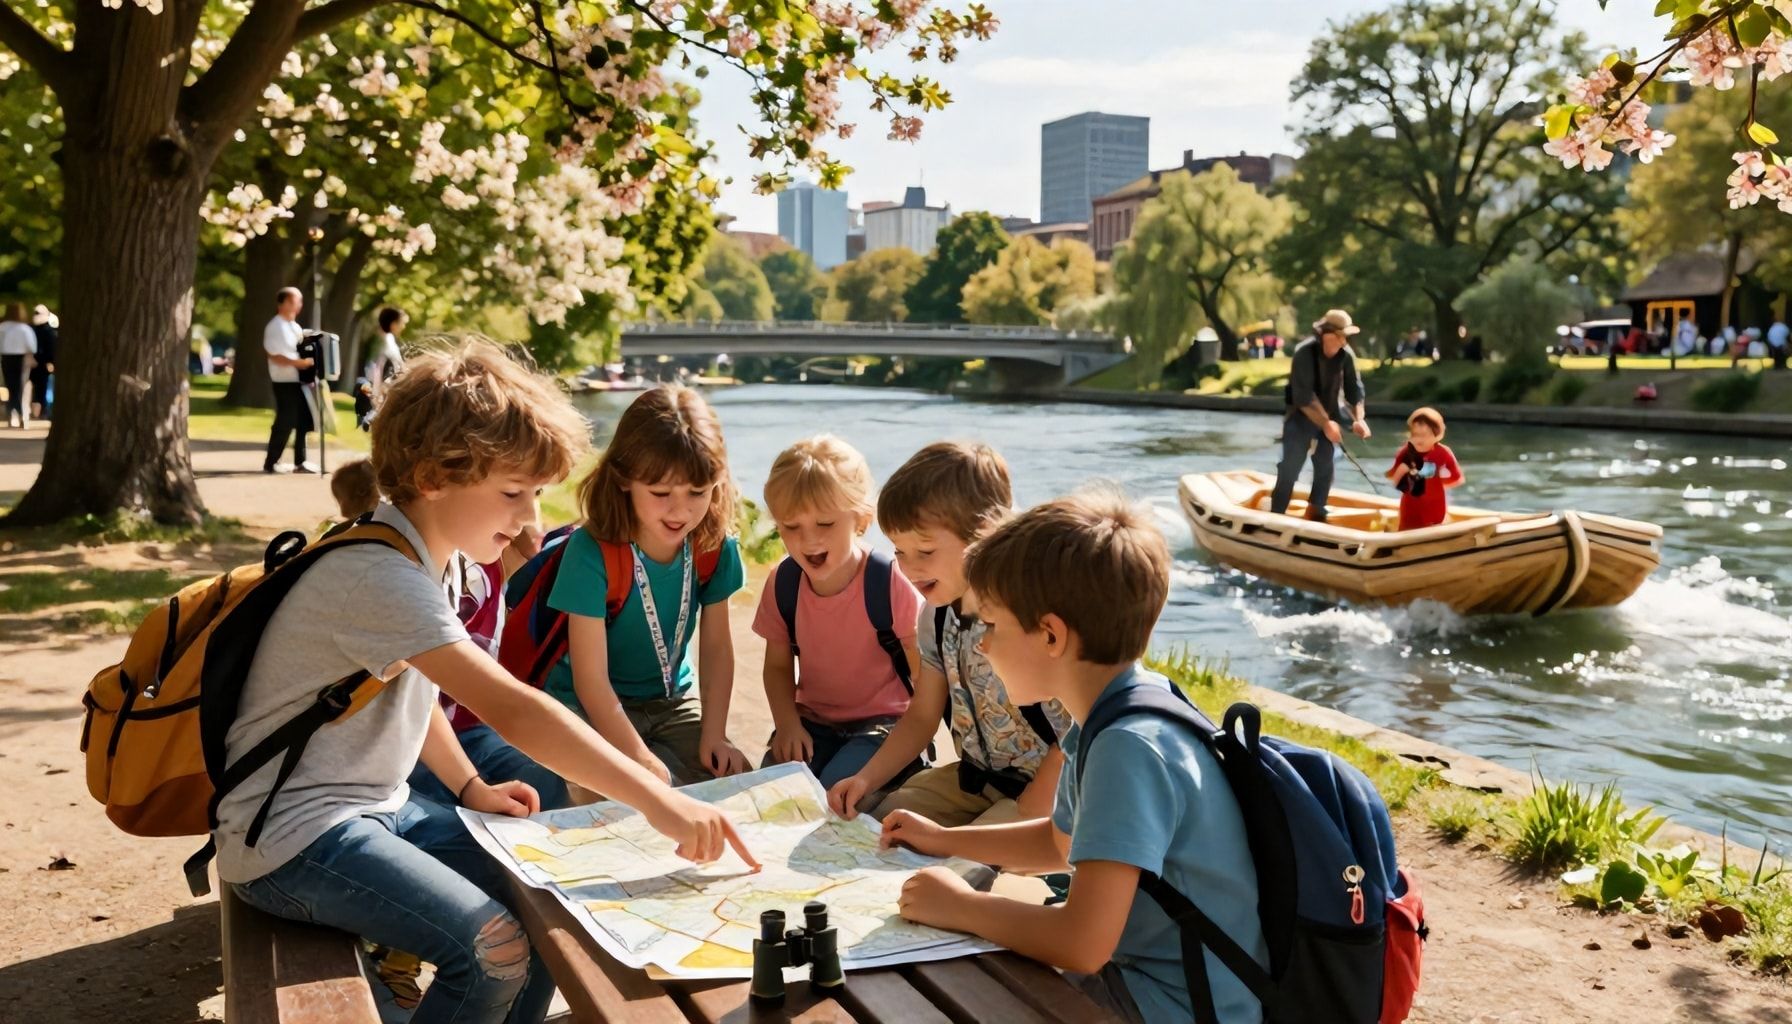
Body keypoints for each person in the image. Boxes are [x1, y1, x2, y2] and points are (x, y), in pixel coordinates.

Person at [218, 340, 755, 1024]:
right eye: (512, 494)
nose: (531, 519)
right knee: (492, 947)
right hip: (294, 840)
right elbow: (511, 708)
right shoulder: (380, 577)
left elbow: (402, 693)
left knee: (542, 905)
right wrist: (659, 800)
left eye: (534, 495)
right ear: (433, 475)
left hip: (376, 810)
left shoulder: (424, 557)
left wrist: (470, 787)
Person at [886, 492, 1266, 1024]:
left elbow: (1083, 943)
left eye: (991, 626)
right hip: (1146, 979)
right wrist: (942, 840)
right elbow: (1059, 841)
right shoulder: (1114, 710)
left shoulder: (1127, 748)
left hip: (1177, 1006)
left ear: (1050, 634)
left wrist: (962, 907)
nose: (984, 648)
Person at [828, 442, 1072, 827]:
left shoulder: (1035, 616)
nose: (908, 568)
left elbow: (1080, 723)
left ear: (987, 536)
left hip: (1055, 789)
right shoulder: (935, 618)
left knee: (967, 860)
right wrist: (866, 778)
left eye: (924, 551)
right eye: (899, 551)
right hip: (974, 779)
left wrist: (1033, 806)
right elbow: (923, 714)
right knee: (882, 821)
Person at [543, 385, 751, 786]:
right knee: (610, 799)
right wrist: (639, 759)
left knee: (734, 785)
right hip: (586, 706)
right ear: (624, 478)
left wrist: (715, 733)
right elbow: (591, 681)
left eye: (698, 492)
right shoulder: (591, 552)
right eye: (660, 493)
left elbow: (717, 649)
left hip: (672, 703)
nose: (681, 510)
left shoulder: (714, 547)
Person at [754, 436, 923, 791]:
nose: (809, 540)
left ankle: (902, 779)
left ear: (860, 520)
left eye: (826, 524)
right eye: (791, 526)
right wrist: (787, 724)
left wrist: (912, 742)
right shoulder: (783, 583)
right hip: (812, 722)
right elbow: (778, 666)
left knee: (835, 796)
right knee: (772, 793)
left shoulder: (890, 582)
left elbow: (926, 680)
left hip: (882, 726)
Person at [1270, 309, 1371, 523]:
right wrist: (1326, 423)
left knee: (1325, 464)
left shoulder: (1346, 354)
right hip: (1300, 417)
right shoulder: (1304, 353)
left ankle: (1316, 511)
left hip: (1331, 417)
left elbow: (1355, 391)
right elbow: (1303, 396)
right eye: (1341, 336)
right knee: (1290, 466)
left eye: (1346, 337)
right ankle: (1276, 516)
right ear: (1326, 334)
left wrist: (1358, 419)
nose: (1344, 341)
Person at [263, 287, 316, 474]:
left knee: (302, 420)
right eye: (295, 301)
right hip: (284, 381)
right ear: (283, 303)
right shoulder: (275, 326)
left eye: (300, 301)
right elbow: (276, 356)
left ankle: (300, 461)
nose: (298, 305)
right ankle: (271, 462)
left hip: (298, 381)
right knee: (285, 420)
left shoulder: (294, 327)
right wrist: (301, 363)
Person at [1386, 407, 1464, 531]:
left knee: (1434, 529)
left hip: (1435, 506)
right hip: (1410, 506)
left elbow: (1457, 477)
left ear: (1437, 434)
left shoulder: (1443, 452)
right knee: (1407, 529)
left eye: (1424, 435)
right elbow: (1393, 474)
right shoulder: (1406, 451)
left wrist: (1436, 481)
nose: (1419, 439)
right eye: (1415, 435)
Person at [0, 302, 36, 429]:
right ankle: (20, 414)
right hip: (21, 358)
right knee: (20, 386)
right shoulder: (24, 329)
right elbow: (31, 346)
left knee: (11, 386)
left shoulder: (3, 327)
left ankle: (12, 413)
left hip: (7, 358)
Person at [367, 307, 407, 405]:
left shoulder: (389, 340)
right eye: (401, 323)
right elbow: (377, 368)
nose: (403, 326)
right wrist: (376, 395)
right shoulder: (384, 342)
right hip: (381, 395)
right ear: (393, 324)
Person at [29, 304, 55, 422]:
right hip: (37, 363)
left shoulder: (37, 330)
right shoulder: (46, 331)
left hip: (40, 363)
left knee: (42, 389)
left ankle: (41, 410)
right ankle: (38, 411)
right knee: (39, 388)